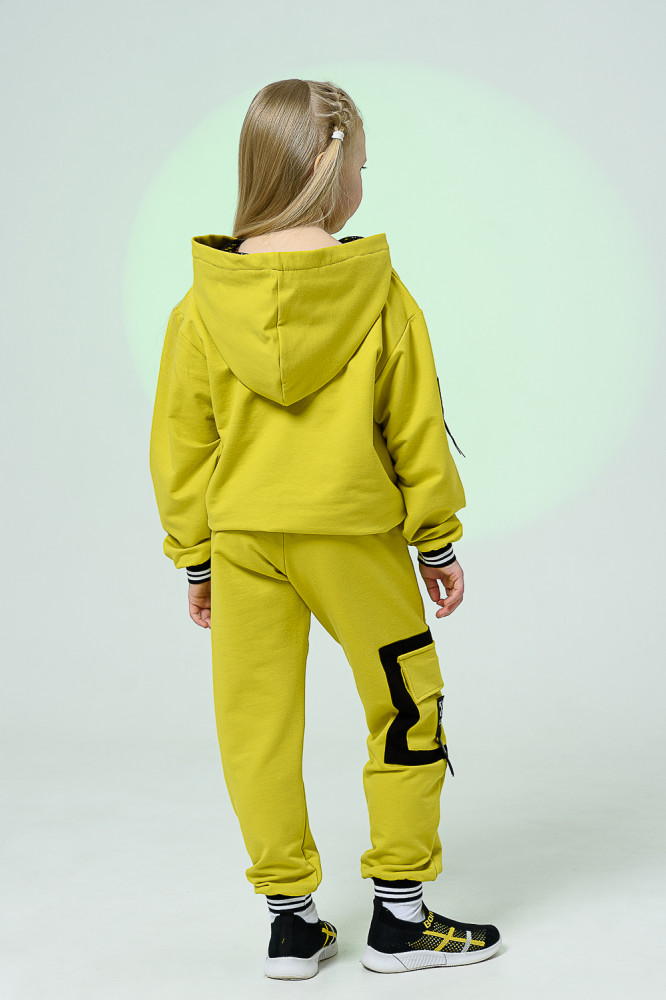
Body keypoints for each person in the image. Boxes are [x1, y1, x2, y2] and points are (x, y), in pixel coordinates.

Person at [149, 77, 501, 980]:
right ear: (328, 167)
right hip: (355, 540)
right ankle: (400, 919)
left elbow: (181, 445)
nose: (363, 184)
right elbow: (415, 425)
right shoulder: (378, 293)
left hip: (243, 544)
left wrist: (196, 561)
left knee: (256, 728)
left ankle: (290, 925)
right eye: (362, 168)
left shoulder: (200, 305)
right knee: (407, 704)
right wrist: (437, 540)